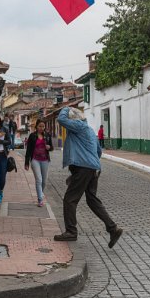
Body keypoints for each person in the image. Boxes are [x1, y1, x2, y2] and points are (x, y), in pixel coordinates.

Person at [54, 106, 123, 248]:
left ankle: (71, 231)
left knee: (70, 200)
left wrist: (66, 108)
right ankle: (113, 228)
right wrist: (91, 167)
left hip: (84, 168)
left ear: (73, 120)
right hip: (93, 168)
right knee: (92, 200)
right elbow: (98, 151)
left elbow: (61, 119)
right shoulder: (90, 130)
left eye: (69, 121)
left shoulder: (78, 126)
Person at [24, 119, 53, 207]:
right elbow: (28, 150)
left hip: (45, 160)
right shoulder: (32, 136)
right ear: (36, 126)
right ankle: (40, 199)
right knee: (39, 180)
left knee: (44, 181)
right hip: (35, 160)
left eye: (43, 126)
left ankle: (40, 193)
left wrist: (49, 147)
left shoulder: (47, 135)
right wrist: (26, 163)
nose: (41, 128)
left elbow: (52, 147)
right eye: (40, 126)